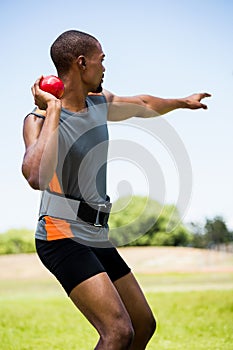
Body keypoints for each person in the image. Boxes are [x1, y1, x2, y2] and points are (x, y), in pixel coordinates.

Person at [22, 29, 211, 350]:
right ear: (82, 64)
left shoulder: (99, 103)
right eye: (102, 61)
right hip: (61, 235)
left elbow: (141, 104)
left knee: (142, 323)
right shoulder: (38, 119)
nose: (105, 68)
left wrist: (181, 102)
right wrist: (52, 109)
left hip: (95, 234)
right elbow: (35, 175)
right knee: (118, 332)